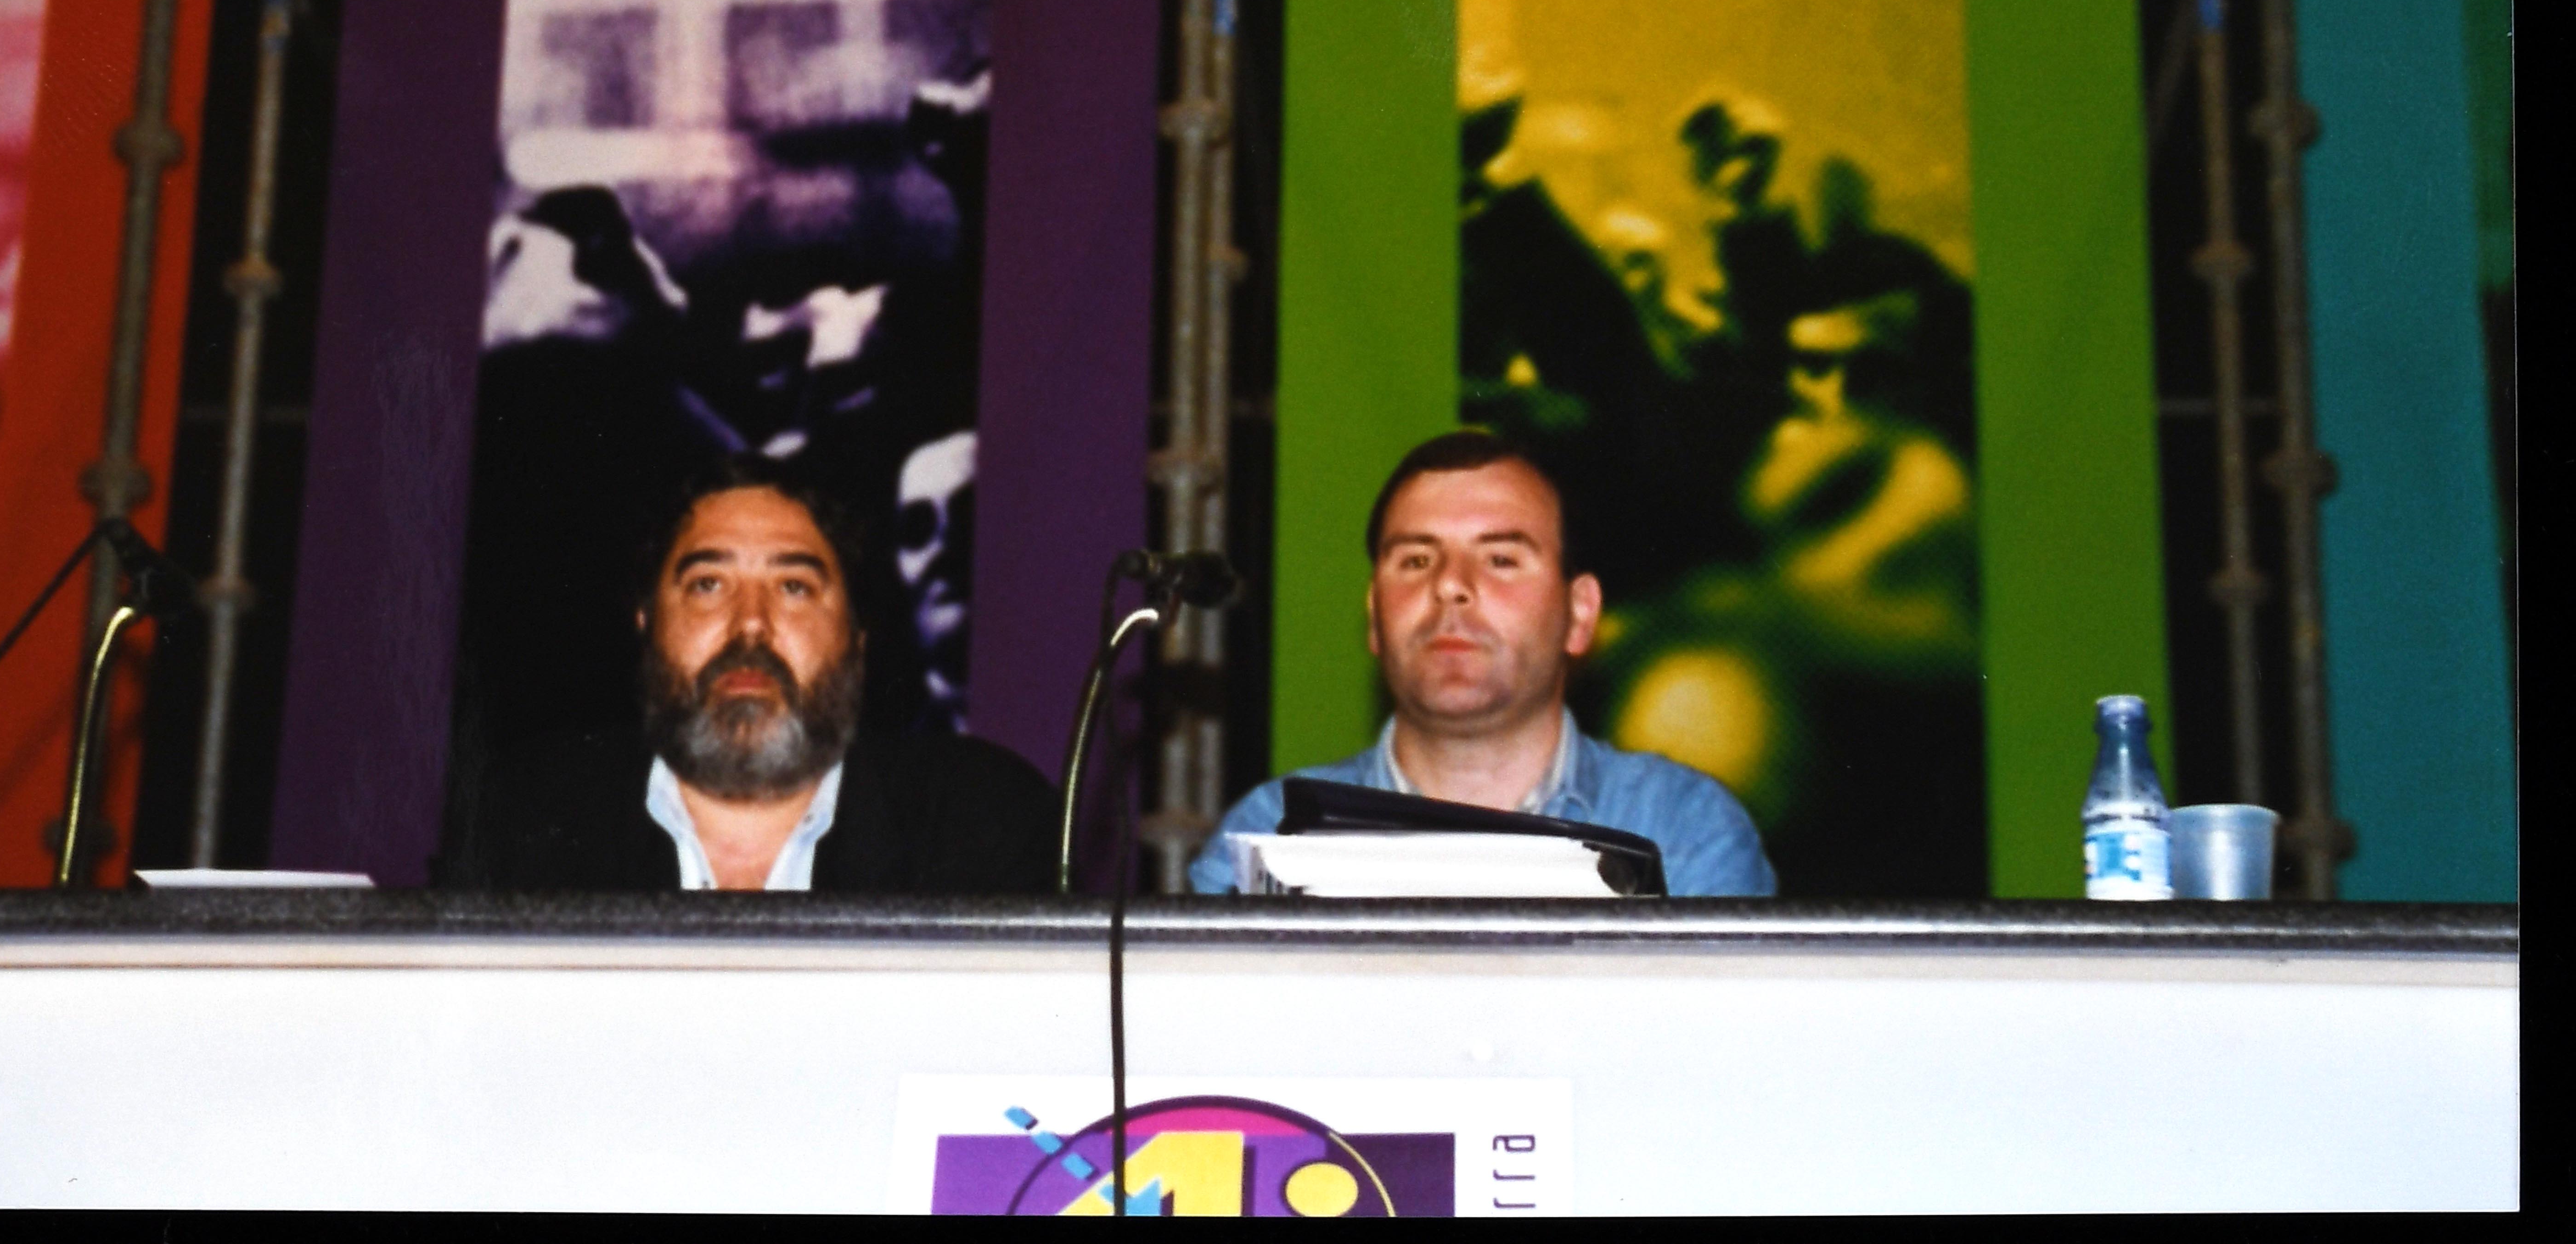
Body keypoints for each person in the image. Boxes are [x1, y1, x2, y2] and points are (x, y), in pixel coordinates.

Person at [1189, 431, 1776, 895]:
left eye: (1500, 559)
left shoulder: (1684, 830)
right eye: (1416, 560)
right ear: (1373, 616)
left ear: (1579, 613)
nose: (1450, 585)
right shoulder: (1269, 831)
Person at [437, 452, 1056, 893]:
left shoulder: (979, 826)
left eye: (793, 587)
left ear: (857, 634)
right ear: (647, 620)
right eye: (709, 584)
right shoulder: (521, 820)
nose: (751, 625)